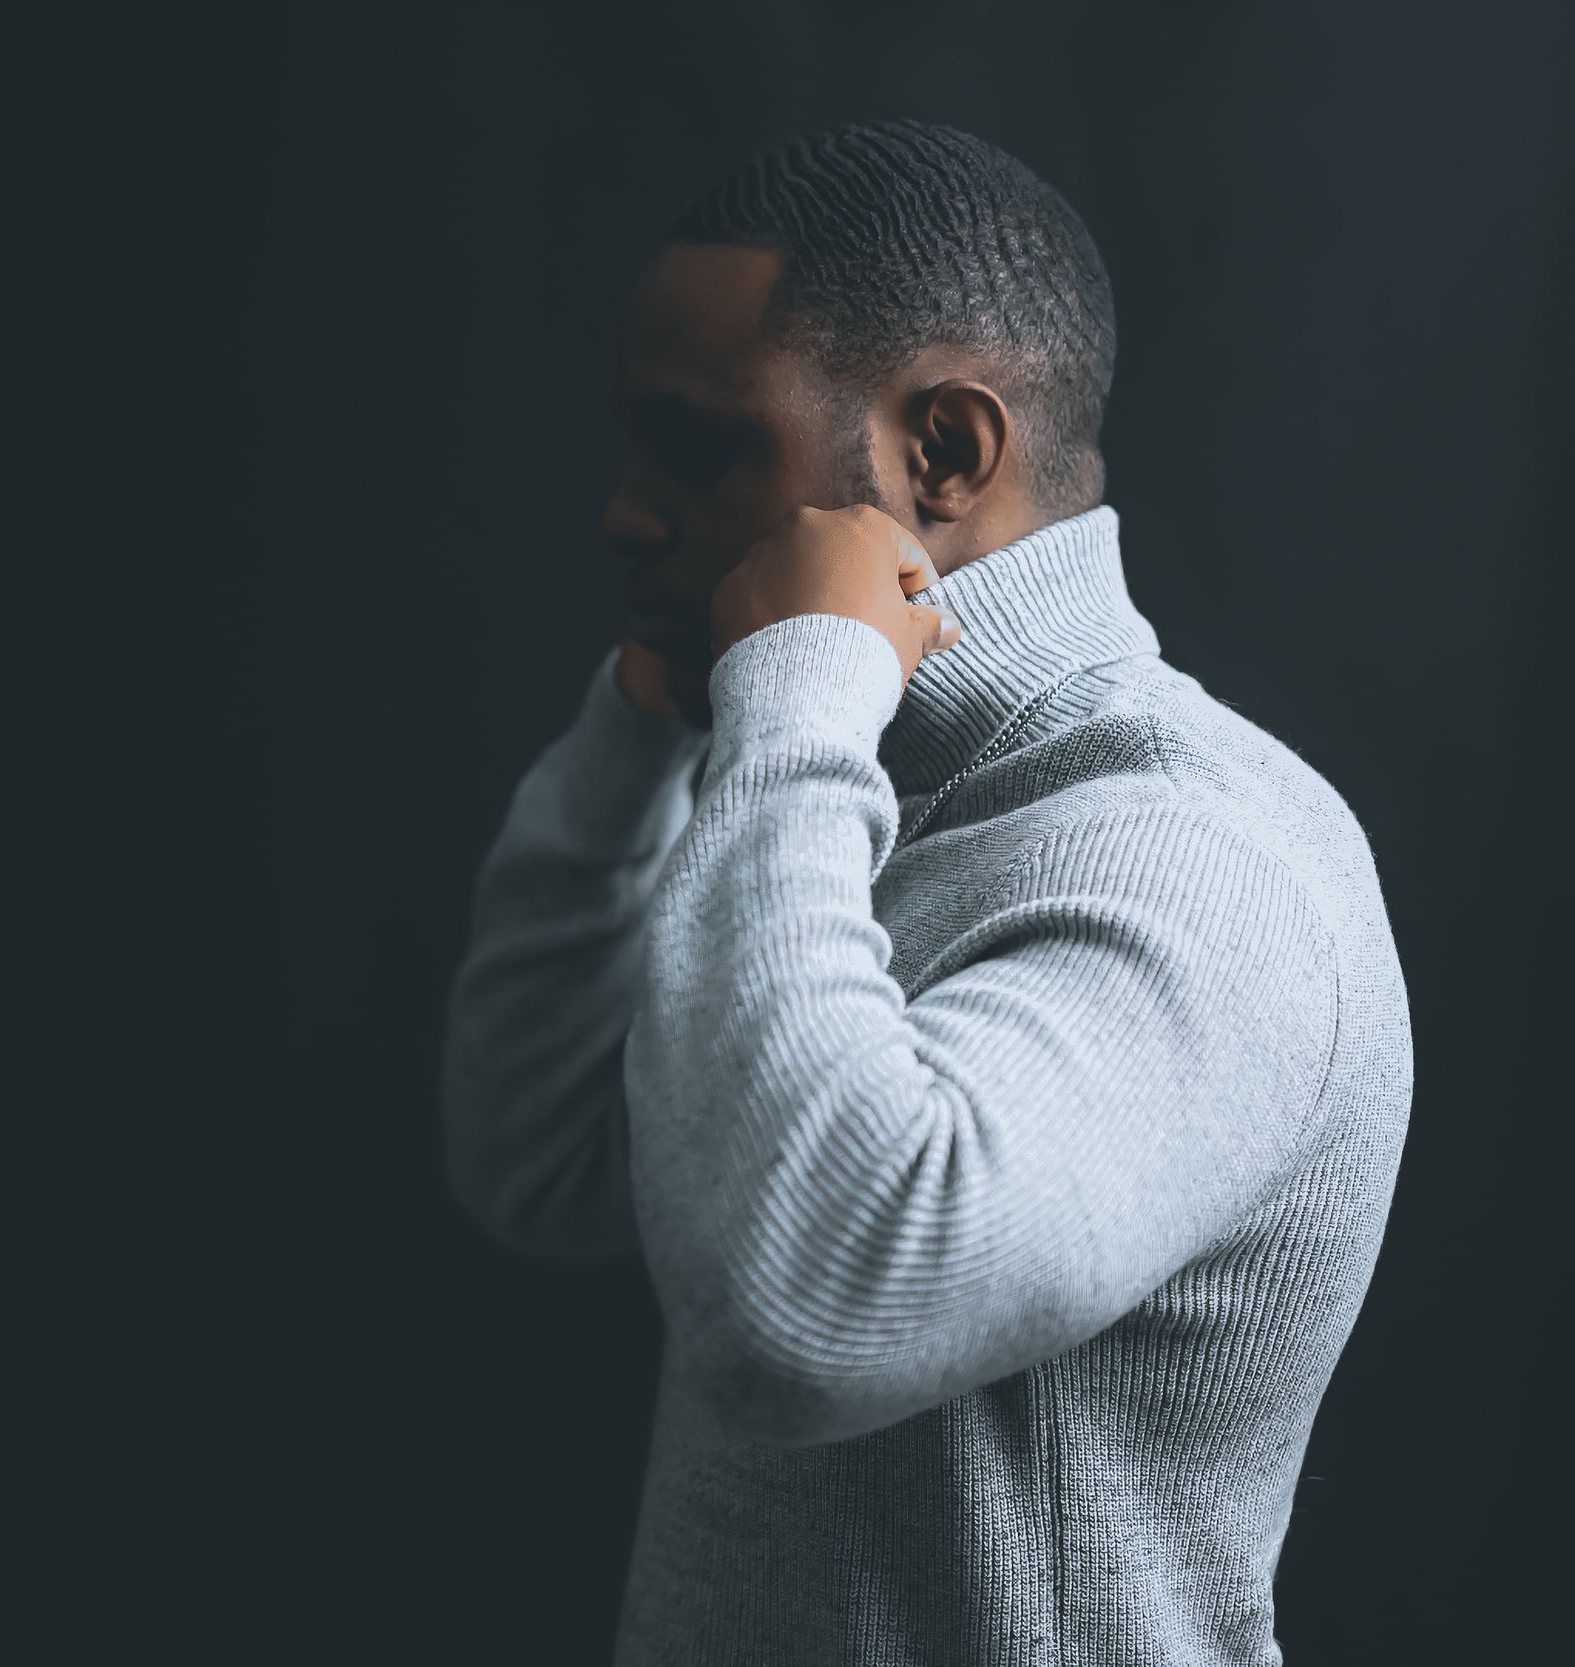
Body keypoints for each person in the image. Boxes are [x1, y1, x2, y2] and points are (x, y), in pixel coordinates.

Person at [437, 119, 1411, 1667]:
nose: (622, 514)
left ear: (944, 455)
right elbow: (537, 1159)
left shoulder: (1213, 861)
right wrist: (646, 731)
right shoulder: (825, 782)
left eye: (695, 451)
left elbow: (813, 1313)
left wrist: (802, 695)